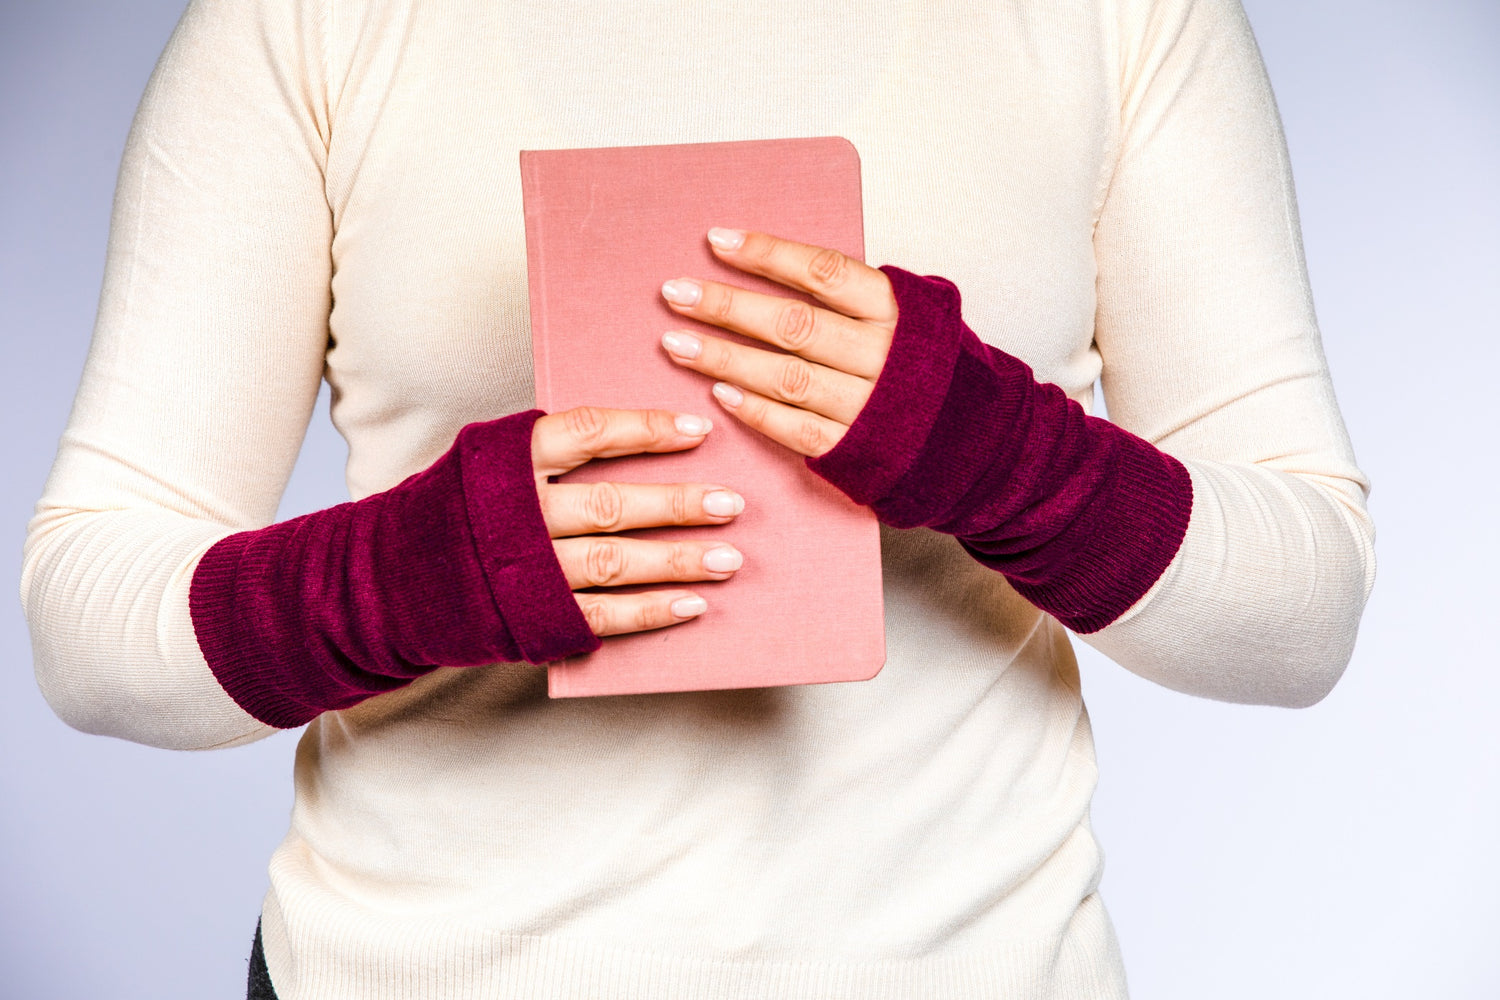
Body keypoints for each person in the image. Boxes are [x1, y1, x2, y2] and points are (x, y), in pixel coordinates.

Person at [19, 0, 1376, 997]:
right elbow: (91, 631)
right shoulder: (305, 22)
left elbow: (1301, 615)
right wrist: (425, 570)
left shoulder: (1122, 18)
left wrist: (991, 448)